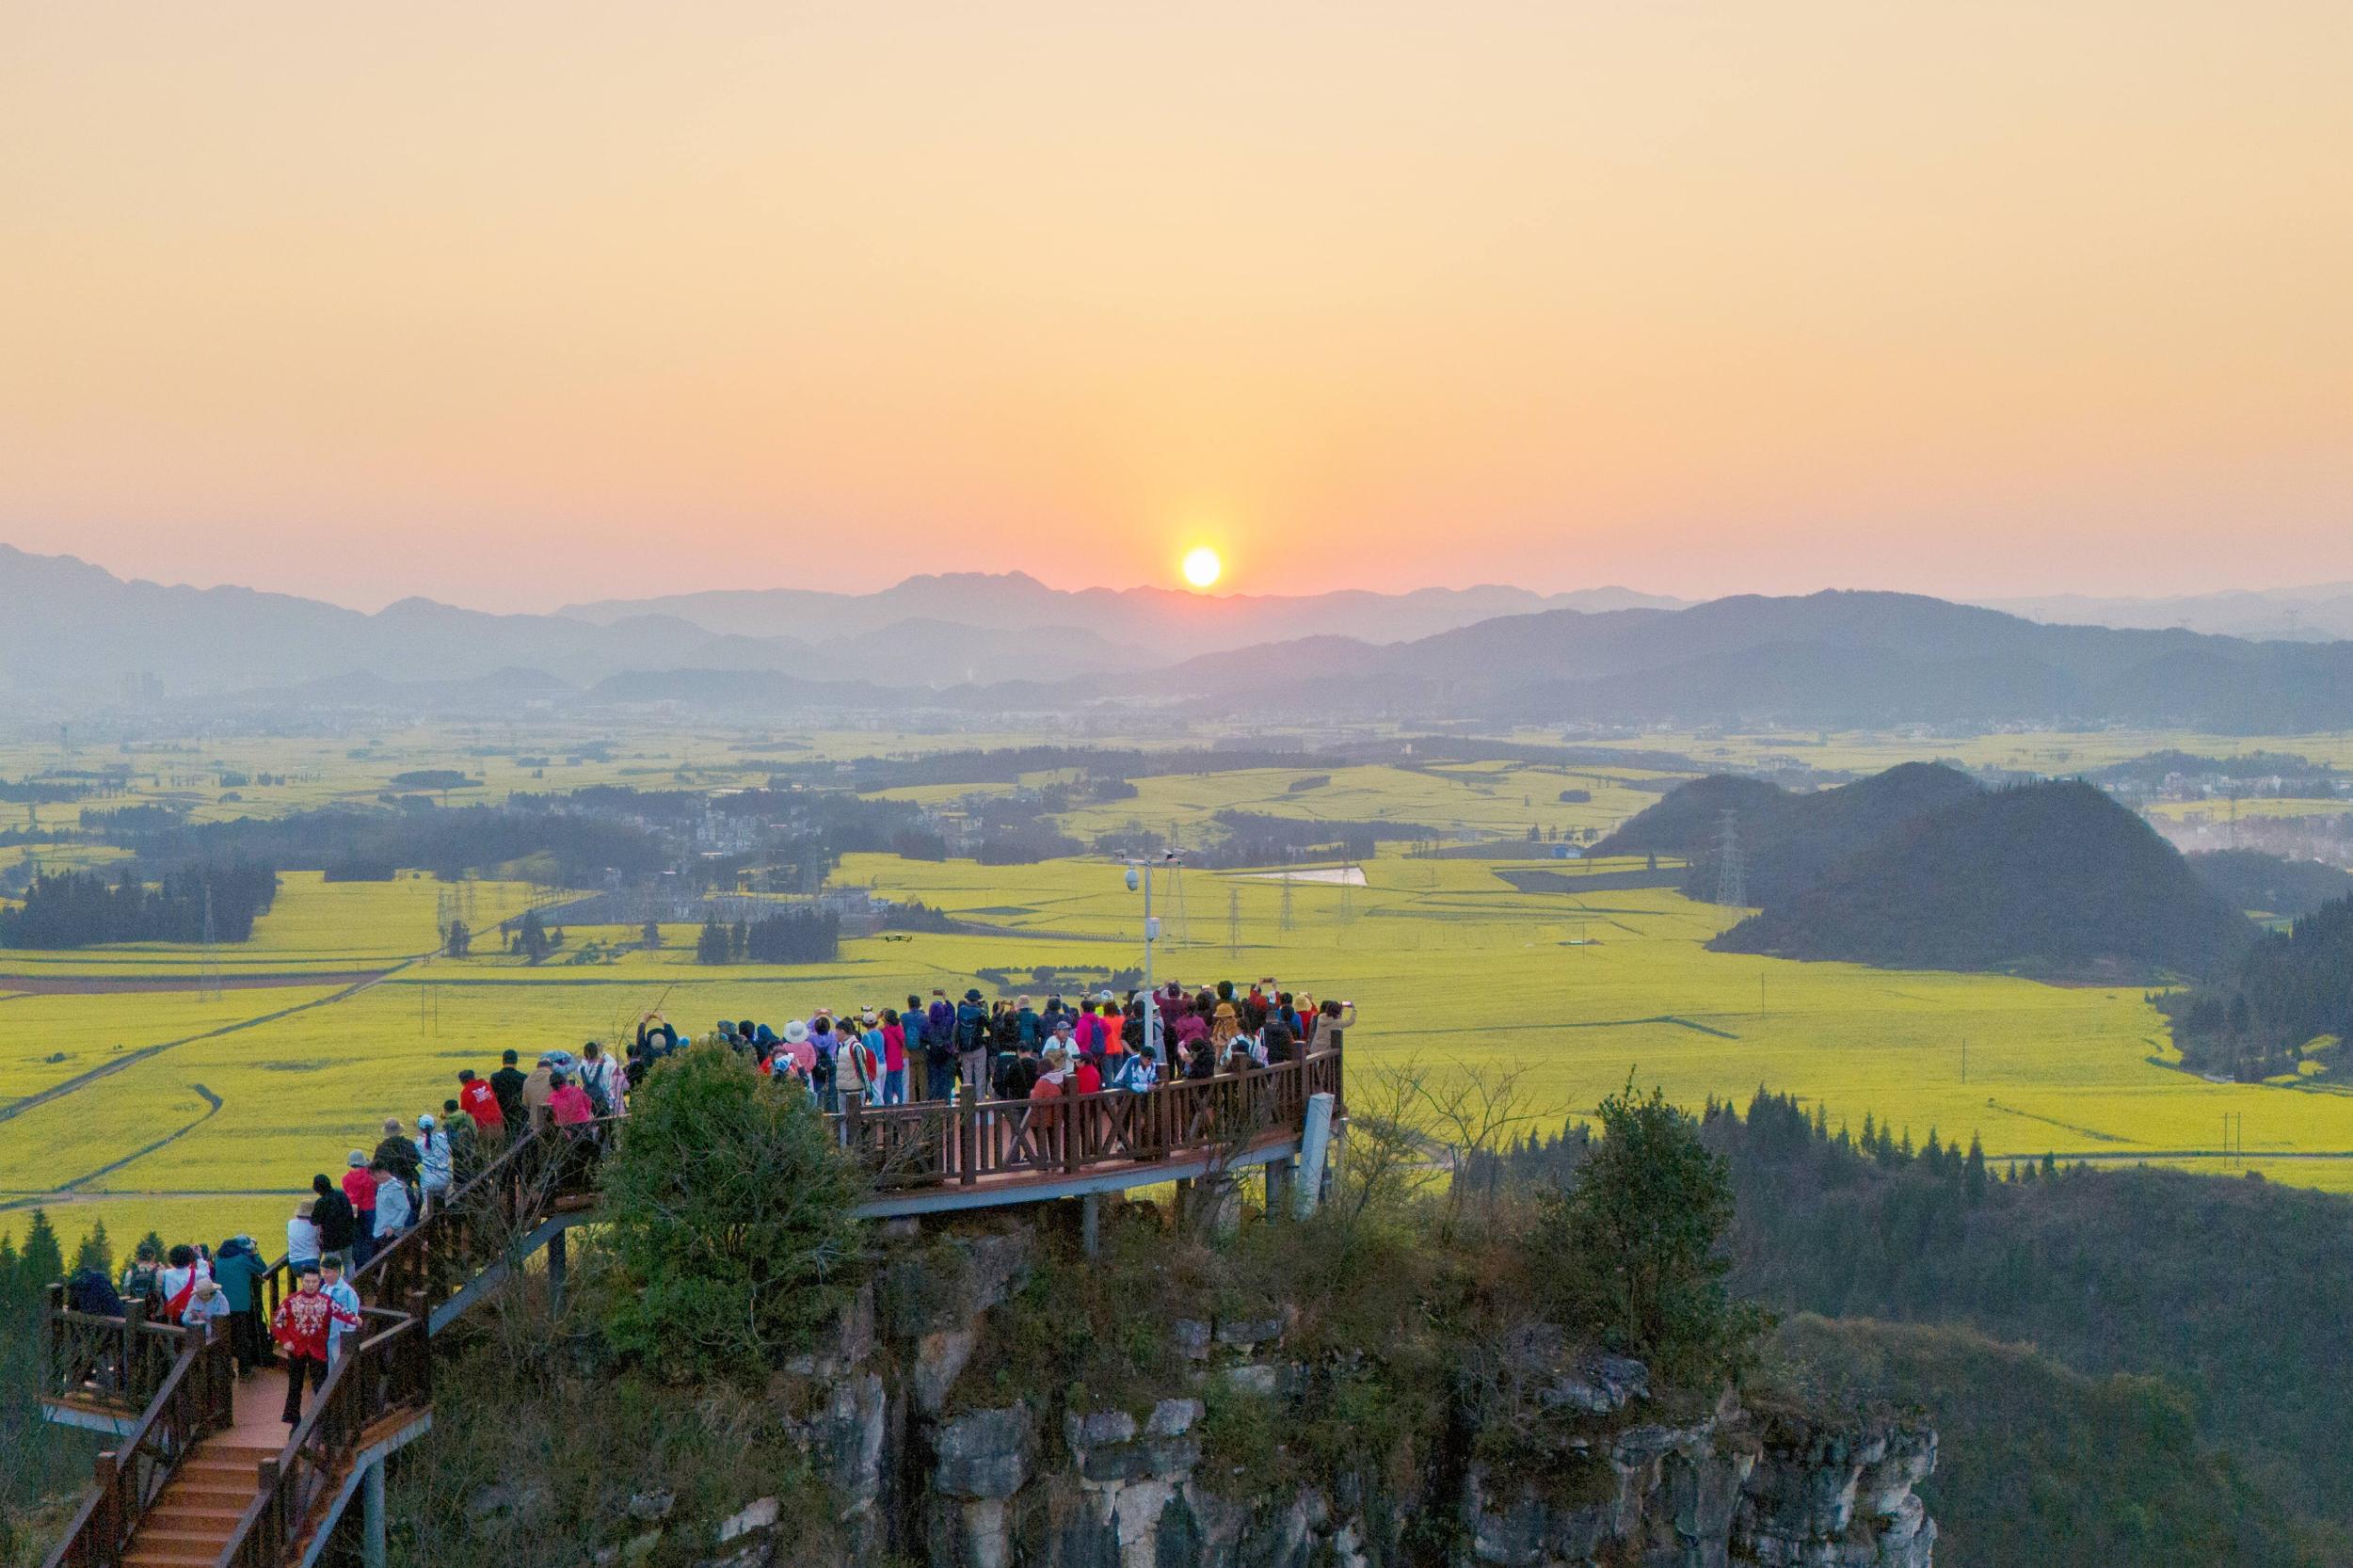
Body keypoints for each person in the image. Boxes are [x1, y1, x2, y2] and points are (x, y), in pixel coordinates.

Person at [272, 1265, 359, 1428]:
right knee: (295, 1385)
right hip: (296, 1348)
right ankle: (294, 1422)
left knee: (320, 1386)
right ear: (302, 1281)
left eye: (313, 1281)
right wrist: (286, 1341)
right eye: (307, 1281)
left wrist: (354, 1319)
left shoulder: (326, 1301)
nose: (310, 1285)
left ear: (319, 1282)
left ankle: (323, 1420)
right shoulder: (291, 1301)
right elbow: (276, 1322)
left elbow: (341, 1311)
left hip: (318, 1349)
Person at [212, 1234, 269, 1374]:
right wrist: (254, 1253)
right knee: (241, 1338)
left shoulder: (218, 1258)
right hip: (240, 1305)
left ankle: (227, 1371)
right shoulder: (243, 1259)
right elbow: (262, 1268)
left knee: (225, 1338)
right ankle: (245, 1369)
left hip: (221, 1305)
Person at [320, 1255, 363, 1364]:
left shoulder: (347, 1292)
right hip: (326, 1336)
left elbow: (352, 1317)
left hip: (339, 1338)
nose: (324, 1275)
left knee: (339, 1368)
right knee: (330, 1367)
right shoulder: (323, 1288)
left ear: (336, 1272)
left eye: (327, 1272)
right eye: (323, 1271)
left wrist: (346, 1341)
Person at [342, 1151, 378, 1266]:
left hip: (354, 1211)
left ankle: (359, 1265)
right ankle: (371, 1263)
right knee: (370, 1238)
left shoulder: (346, 1179)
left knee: (357, 1240)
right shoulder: (370, 1177)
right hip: (369, 1209)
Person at [157, 1244, 210, 1324]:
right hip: (189, 1315)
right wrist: (199, 1257)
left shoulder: (166, 1274)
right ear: (190, 1258)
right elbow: (206, 1278)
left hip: (171, 1315)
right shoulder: (196, 1274)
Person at [310, 1173, 356, 1260]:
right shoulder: (342, 1195)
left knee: (331, 1266)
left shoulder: (321, 1202)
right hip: (347, 1237)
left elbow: (314, 1221)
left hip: (331, 1241)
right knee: (348, 1263)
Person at [955, 988, 990, 1097]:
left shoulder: (961, 1010)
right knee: (980, 1077)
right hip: (978, 1048)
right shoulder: (980, 1012)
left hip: (965, 1049)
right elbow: (989, 1026)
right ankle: (980, 1102)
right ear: (978, 999)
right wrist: (985, 1011)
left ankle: (967, 1103)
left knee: (967, 1077)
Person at [458, 1067, 505, 1145]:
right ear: (474, 1077)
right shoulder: (485, 1084)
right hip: (499, 1123)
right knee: (500, 1151)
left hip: (483, 1127)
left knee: (485, 1152)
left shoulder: (465, 1092)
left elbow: (465, 1113)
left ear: (462, 1082)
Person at [579, 1040, 625, 1118]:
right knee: (605, 1121)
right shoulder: (605, 1067)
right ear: (597, 1053)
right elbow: (614, 1063)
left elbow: (583, 1063)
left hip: (587, 1100)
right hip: (601, 1100)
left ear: (585, 1055)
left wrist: (587, 1059)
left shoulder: (581, 1069)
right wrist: (604, 1054)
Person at [373, 1160, 413, 1247]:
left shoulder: (395, 1189)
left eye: (375, 1176)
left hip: (389, 1234)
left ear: (381, 1172)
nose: (373, 1179)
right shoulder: (382, 1185)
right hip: (379, 1231)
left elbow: (406, 1208)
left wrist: (393, 1227)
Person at [488, 1048, 529, 1128]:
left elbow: (492, 1097)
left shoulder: (495, 1077)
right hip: (518, 1116)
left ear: (503, 1061)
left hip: (501, 1115)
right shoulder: (523, 1077)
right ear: (516, 1061)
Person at [374, 1118, 422, 1185]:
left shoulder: (381, 1148)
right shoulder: (408, 1144)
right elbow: (417, 1159)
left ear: (386, 1132)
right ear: (399, 1130)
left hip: (388, 1184)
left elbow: (376, 1167)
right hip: (406, 1181)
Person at [119, 1241, 162, 1306]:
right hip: (155, 1313)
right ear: (153, 1257)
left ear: (138, 1258)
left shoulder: (130, 1273)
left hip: (135, 1312)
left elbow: (126, 1293)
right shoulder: (159, 1273)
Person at [879, 1008, 908, 1106]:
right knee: (898, 1085)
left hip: (888, 1062)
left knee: (888, 1086)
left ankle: (889, 1106)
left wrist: (879, 1016)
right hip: (898, 1062)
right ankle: (900, 1105)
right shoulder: (899, 1029)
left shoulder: (884, 1031)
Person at [286, 1199, 323, 1274]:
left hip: (293, 1263)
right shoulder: (315, 1225)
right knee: (317, 1284)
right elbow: (320, 1241)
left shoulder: (291, 1223)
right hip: (311, 1260)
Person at [521, 1053, 556, 1129]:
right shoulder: (553, 1079)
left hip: (534, 1122)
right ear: (550, 1067)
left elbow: (525, 1102)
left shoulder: (527, 1081)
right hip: (551, 1120)